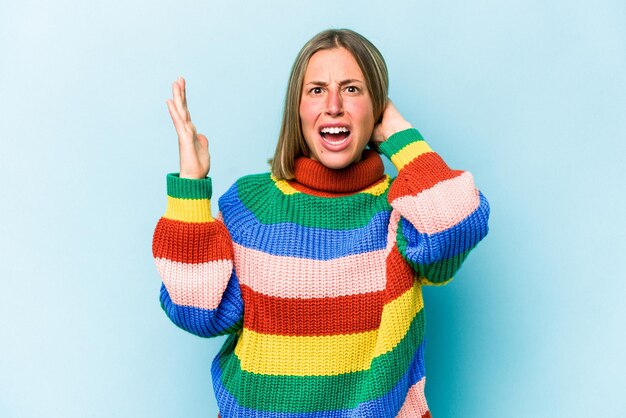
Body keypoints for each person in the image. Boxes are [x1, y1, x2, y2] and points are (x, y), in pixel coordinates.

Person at [153, 28, 490, 418]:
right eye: (316, 90)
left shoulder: (403, 209)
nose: (333, 105)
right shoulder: (253, 205)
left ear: (377, 107)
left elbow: (458, 222)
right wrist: (191, 186)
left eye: (352, 89)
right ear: (297, 109)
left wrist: (397, 131)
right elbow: (197, 310)